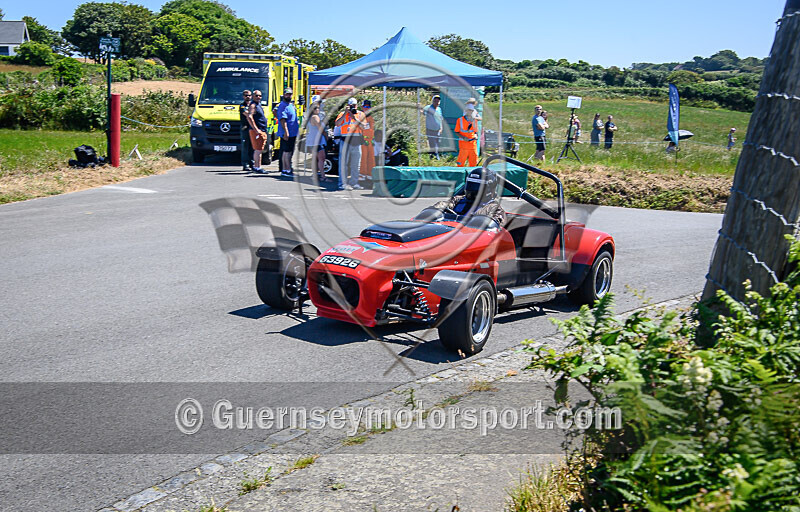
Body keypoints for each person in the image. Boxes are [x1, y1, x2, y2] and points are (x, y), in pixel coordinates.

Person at [432, 167, 506, 226]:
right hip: (450, 233)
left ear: (488, 188)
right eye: (471, 184)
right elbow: (441, 206)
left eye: (477, 186)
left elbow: (494, 227)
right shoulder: (458, 200)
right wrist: (434, 210)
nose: (472, 189)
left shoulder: (494, 209)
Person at [335, 98, 367, 190]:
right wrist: (346, 113)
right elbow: (337, 123)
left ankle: (354, 182)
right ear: (348, 106)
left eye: (354, 105)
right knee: (343, 163)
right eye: (351, 105)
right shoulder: (342, 114)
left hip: (356, 140)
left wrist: (354, 118)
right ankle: (342, 183)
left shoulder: (360, 114)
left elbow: (364, 126)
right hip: (345, 140)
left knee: (356, 164)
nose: (353, 107)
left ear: (357, 105)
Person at [277, 87, 299, 177]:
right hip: (287, 133)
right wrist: (286, 132)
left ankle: (287, 169)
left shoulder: (291, 104)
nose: (288, 96)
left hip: (293, 132)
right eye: (287, 94)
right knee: (286, 152)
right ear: (284, 95)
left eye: (290, 94)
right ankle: (286, 170)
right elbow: (282, 120)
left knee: (290, 151)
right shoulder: (282, 105)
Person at [246, 90, 269, 173]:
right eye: (256, 95)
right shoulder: (253, 105)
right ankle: (257, 167)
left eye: (260, 95)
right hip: (257, 131)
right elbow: (249, 116)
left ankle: (258, 166)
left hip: (262, 129)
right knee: (258, 149)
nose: (258, 97)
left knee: (260, 149)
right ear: (252, 96)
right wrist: (256, 129)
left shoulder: (258, 105)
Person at [306, 100, 327, 181]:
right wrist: (326, 135)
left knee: (316, 159)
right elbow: (320, 128)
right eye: (316, 108)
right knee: (321, 158)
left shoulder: (310, 117)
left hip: (313, 140)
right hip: (317, 141)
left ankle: (316, 175)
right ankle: (323, 176)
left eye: (318, 108)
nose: (318, 110)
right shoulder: (315, 117)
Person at [423, 94, 443, 159]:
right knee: (432, 143)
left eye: (438, 101)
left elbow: (440, 119)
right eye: (435, 101)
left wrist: (441, 128)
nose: (437, 102)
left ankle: (433, 155)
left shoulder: (439, 109)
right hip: (430, 129)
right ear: (433, 101)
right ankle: (435, 156)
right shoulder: (428, 108)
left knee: (437, 143)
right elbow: (423, 112)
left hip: (437, 129)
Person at [360, 99, 376, 179]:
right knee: (363, 158)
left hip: (370, 140)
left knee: (371, 158)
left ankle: (370, 174)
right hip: (362, 140)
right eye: (365, 106)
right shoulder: (360, 116)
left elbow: (371, 129)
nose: (367, 108)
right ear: (362, 107)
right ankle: (362, 174)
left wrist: (373, 139)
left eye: (368, 106)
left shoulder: (371, 117)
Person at [239, 89, 253, 172]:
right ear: (243, 96)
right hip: (245, 128)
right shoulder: (242, 106)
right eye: (246, 95)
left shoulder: (252, 105)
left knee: (252, 147)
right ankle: (245, 164)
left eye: (249, 95)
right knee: (245, 147)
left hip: (252, 128)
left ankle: (252, 163)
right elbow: (247, 114)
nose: (247, 97)